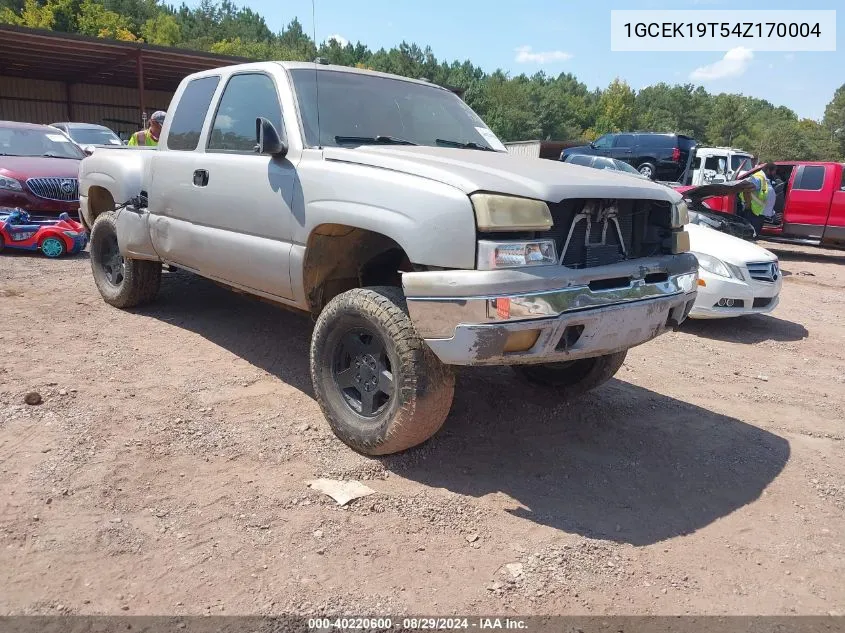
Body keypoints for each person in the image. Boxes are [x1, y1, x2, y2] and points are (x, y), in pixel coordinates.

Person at [740, 164, 772, 239]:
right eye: (774, 171)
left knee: (754, 234)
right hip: (753, 210)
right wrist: (748, 206)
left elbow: (763, 192)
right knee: (750, 235)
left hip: (758, 211)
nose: (774, 173)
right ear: (767, 170)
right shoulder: (757, 178)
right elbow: (747, 191)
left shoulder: (763, 178)